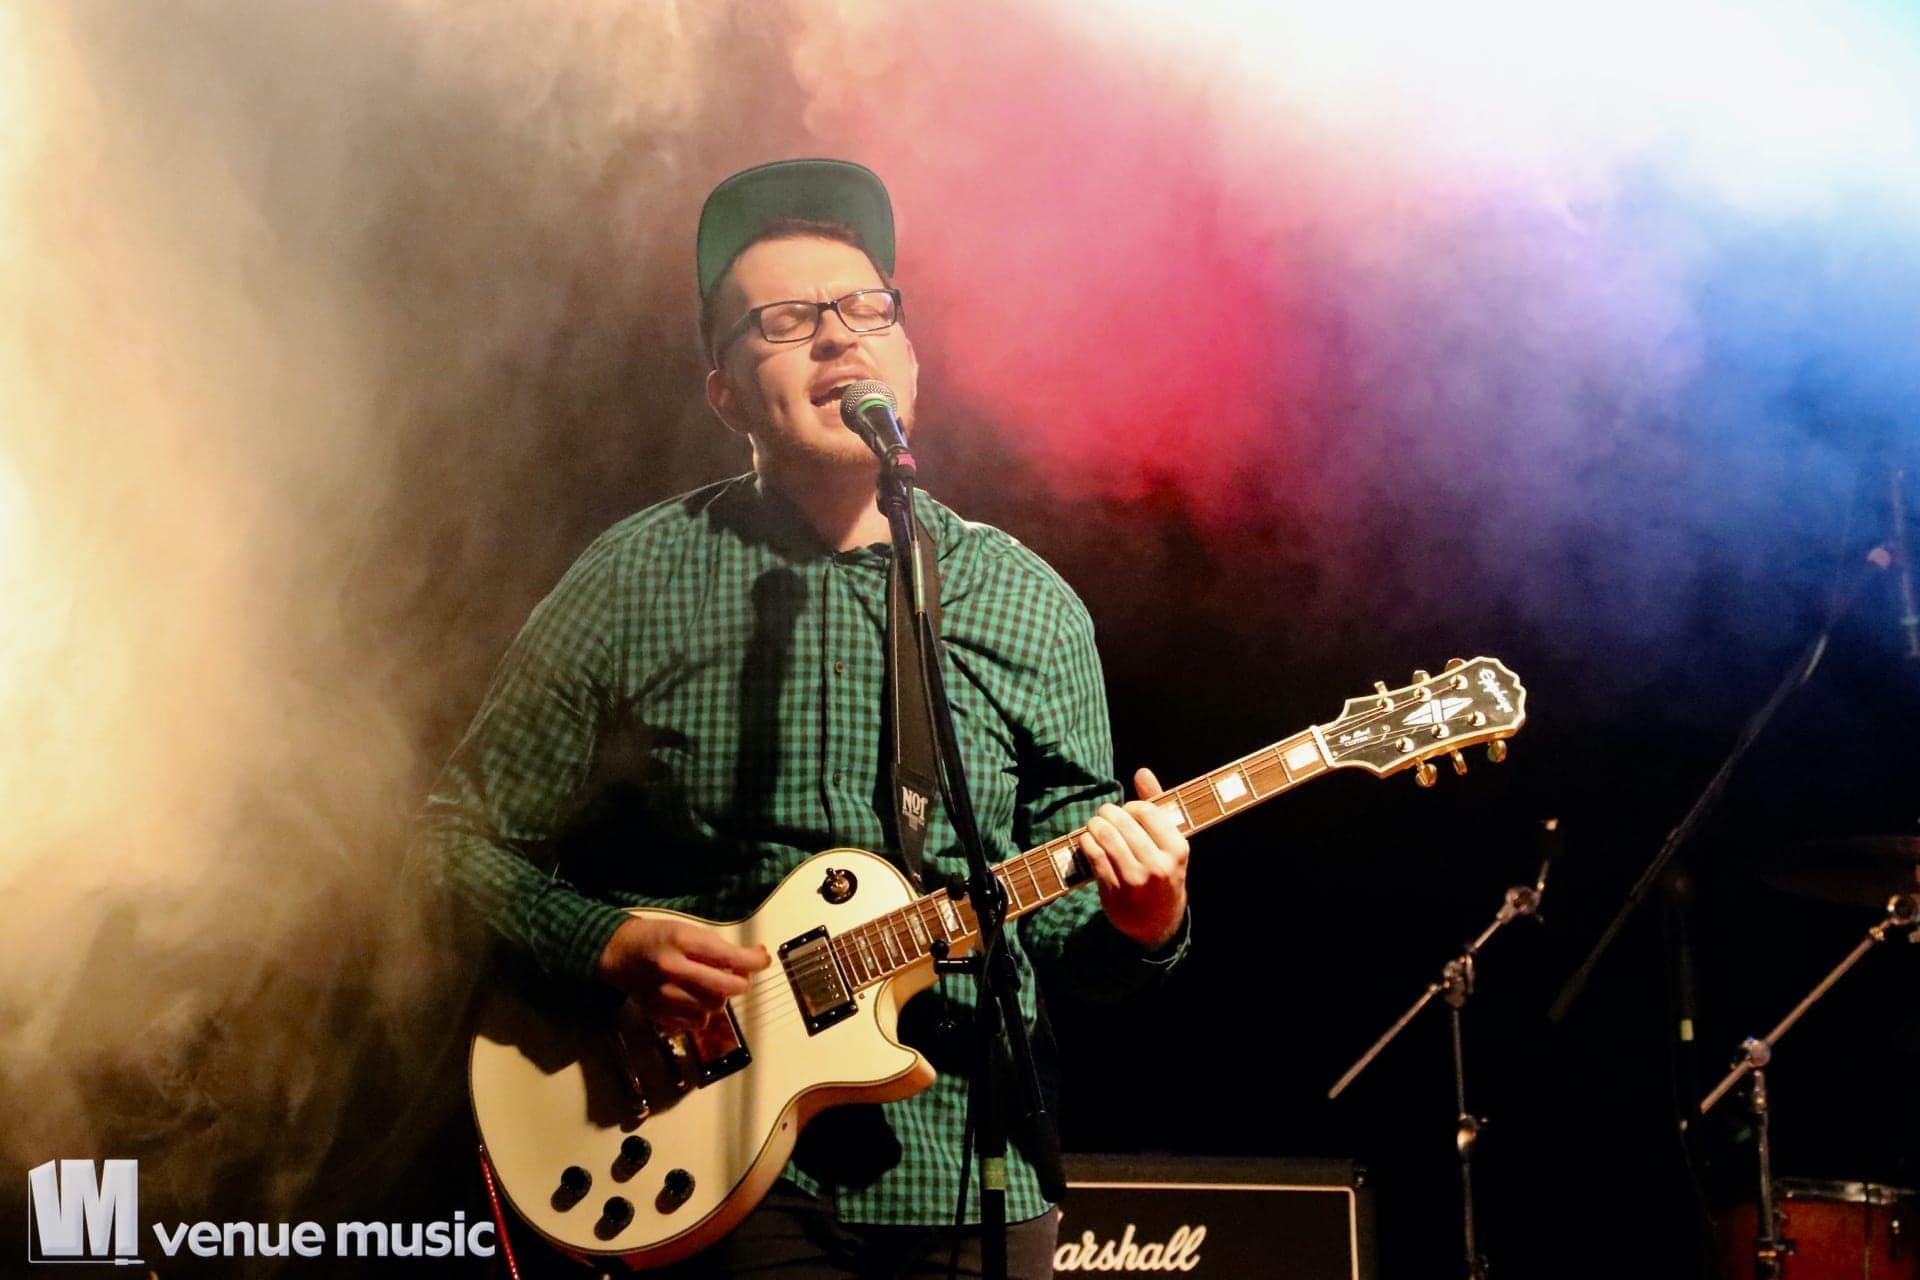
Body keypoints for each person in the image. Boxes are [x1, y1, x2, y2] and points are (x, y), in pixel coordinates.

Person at [416, 159, 1191, 1278]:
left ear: (909, 359)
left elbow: (1073, 944)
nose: (837, 337)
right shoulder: (636, 577)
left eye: (867, 308)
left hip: (973, 1162)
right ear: (725, 394)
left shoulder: (1029, 603)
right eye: (785, 320)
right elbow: (454, 843)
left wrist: (1144, 915)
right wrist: (610, 944)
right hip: (713, 1167)